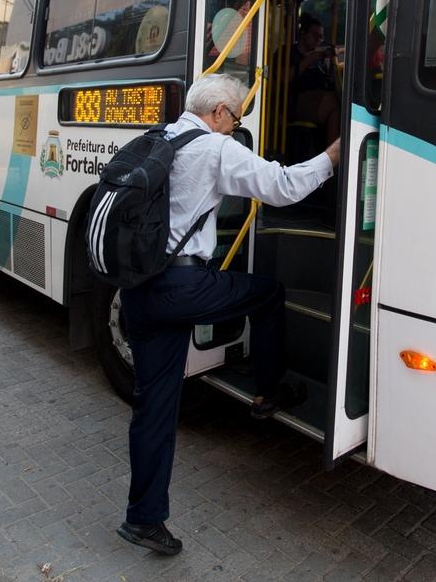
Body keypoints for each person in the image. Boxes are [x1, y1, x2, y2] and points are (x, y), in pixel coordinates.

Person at [115, 74, 340, 557]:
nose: (236, 127)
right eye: (236, 119)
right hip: (182, 287)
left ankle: (143, 519)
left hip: (138, 287)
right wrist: (332, 157)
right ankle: (267, 391)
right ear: (218, 112)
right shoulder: (215, 148)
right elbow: (282, 187)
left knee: (154, 407)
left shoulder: (159, 137)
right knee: (268, 295)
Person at [290, 14, 340, 142]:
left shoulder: (320, 59)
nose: (319, 39)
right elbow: (284, 78)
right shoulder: (288, 52)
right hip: (294, 102)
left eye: (321, 36)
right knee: (335, 102)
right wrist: (310, 58)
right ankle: (332, 151)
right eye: (315, 35)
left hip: (318, 97)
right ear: (303, 33)